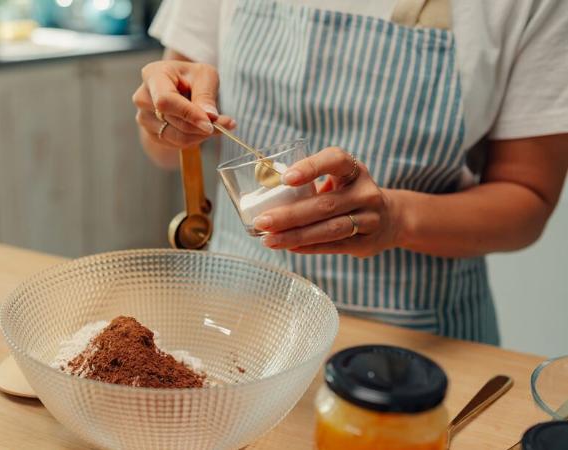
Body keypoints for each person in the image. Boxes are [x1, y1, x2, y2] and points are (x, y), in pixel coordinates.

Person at [132, 0, 568, 344]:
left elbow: (528, 198)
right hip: (239, 322)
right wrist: (166, 123)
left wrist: (396, 218)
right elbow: (164, 147)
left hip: (417, 343)